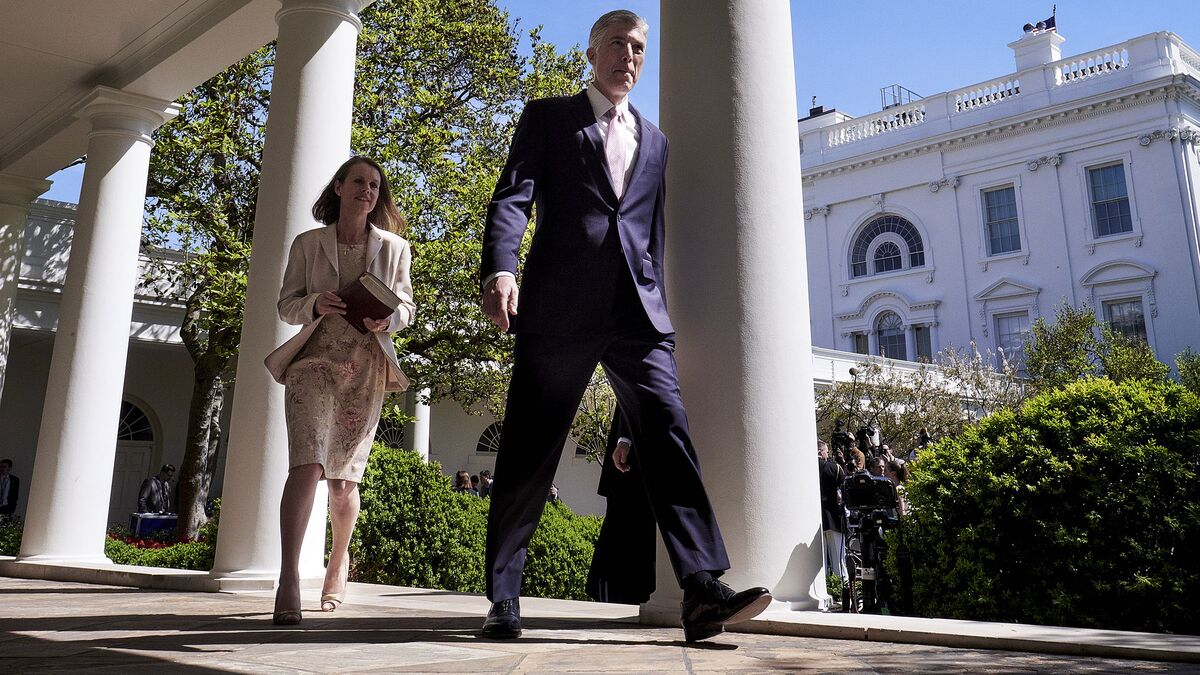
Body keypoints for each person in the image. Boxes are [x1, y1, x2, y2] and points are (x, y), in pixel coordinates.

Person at [478, 9, 771, 642]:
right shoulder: (551, 118)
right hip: (558, 308)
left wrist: (658, 305)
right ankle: (503, 596)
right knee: (530, 448)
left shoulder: (656, 140)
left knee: (667, 430)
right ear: (591, 53)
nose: (629, 57)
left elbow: (650, 233)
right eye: (617, 45)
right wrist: (501, 269)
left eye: (638, 48)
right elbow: (512, 198)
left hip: (637, 315)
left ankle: (700, 589)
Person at [263, 156, 416, 626]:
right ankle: (289, 576)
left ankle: (338, 560)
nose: (366, 191)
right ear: (338, 187)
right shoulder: (308, 244)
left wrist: (389, 318)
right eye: (358, 182)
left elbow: (407, 305)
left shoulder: (395, 248)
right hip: (312, 363)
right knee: (306, 465)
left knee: (343, 480)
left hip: (364, 366)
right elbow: (287, 304)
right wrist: (315, 303)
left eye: (374, 185)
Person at [587, 407, 656, 605]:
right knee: (623, 527)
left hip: (640, 460)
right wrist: (624, 439)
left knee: (638, 532)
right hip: (630, 461)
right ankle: (613, 594)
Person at [817, 441, 847, 582]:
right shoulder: (833, 468)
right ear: (819, 451)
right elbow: (843, 480)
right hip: (833, 516)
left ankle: (826, 584)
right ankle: (841, 585)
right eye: (826, 452)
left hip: (815, 519)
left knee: (819, 560)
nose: (827, 454)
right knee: (838, 558)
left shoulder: (805, 467)